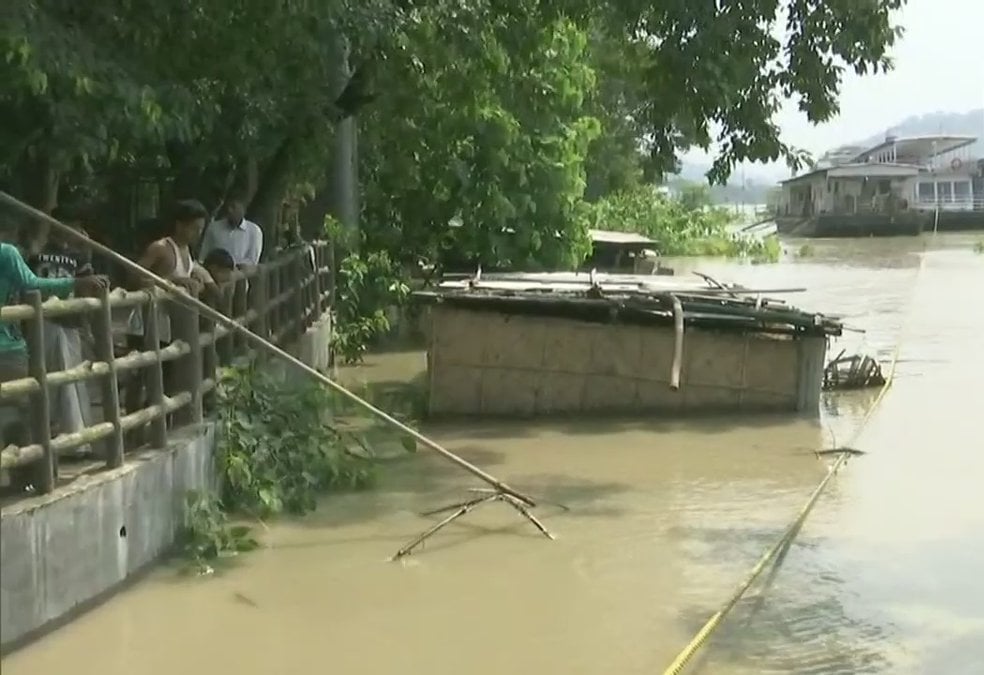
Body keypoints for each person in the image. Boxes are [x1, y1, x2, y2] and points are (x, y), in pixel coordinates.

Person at [1, 221, 108, 491]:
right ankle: (29, 478)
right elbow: (32, 284)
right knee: (24, 414)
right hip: (6, 346)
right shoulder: (6, 253)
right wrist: (75, 283)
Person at [124, 200, 216, 434]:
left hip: (171, 324)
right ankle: (131, 428)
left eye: (200, 228)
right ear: (179, 225)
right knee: (140, 376)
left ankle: (159, 425)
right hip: (146, 322)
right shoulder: (160, 248)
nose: (197, 233)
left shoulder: (186, 252)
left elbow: (191, 272)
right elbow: (135, 276)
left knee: (166, 377)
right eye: (194, 228)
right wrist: (172, 282)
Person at [27, 207, 97, 457]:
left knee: (71, 378)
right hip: (43, 319)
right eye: (68, 223)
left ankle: (77, 439)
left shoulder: (79, 255)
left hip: (70, 320)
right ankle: (48, 437)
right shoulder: (37, 250)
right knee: (45, 378)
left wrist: (87, 325)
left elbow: (88, 287)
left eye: (76, 224)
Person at [198, 196, 263, 270]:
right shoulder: (214, 227)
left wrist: (231, 267)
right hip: (213, 273)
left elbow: (252, 261)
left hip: (240, 275)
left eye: (233, 207)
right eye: (227, 207)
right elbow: (204, 254)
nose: (229, 210)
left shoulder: (254, 231)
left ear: (243, 209)